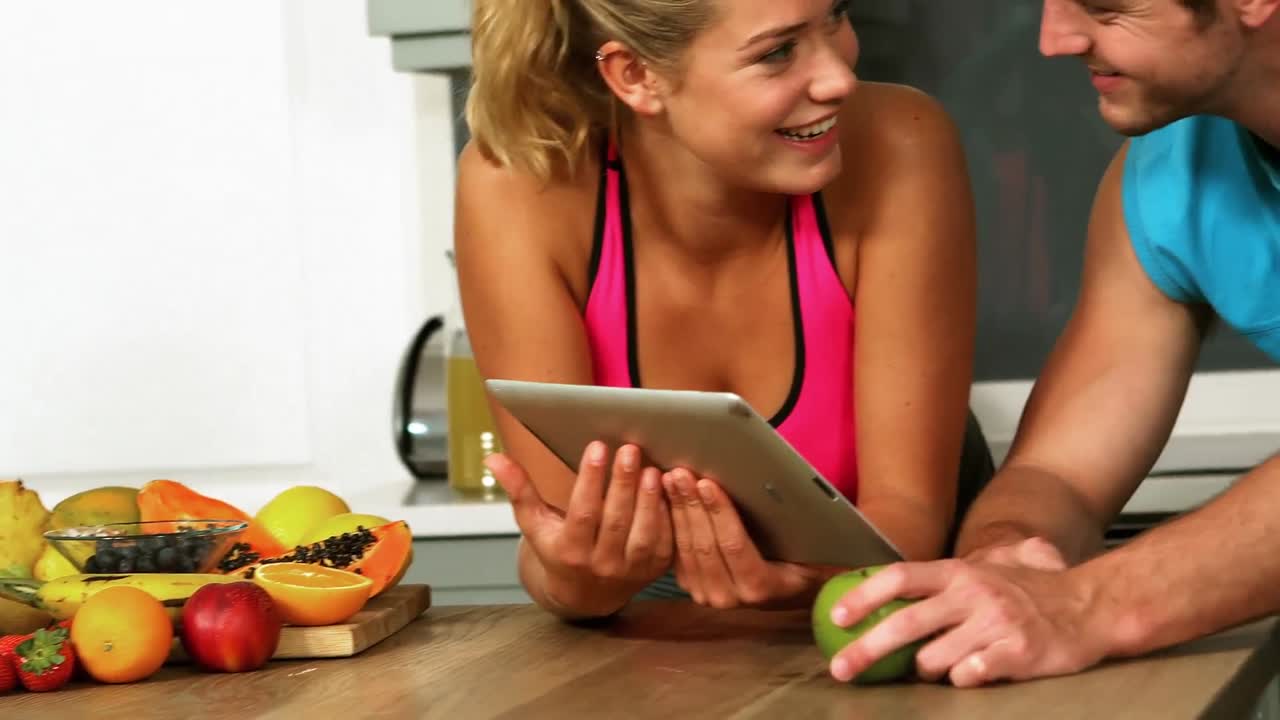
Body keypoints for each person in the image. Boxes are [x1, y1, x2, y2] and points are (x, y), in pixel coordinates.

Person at [453, 0, 993, 621]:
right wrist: (579, 581)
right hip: (662, 629)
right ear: (636, 77)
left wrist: (801, 587)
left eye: (836, 17)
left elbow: (907, 522)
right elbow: (565, 548)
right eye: (777, 52)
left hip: (904, 605)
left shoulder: (902, 140)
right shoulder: (520, 185)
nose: (839, 78)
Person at [825, 0, 1280, 688]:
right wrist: (1005, 560)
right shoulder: (1168, 173)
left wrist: (1085, 606)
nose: (1053, 40)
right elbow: (1056, 476)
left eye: (1103, 6)